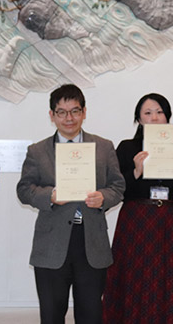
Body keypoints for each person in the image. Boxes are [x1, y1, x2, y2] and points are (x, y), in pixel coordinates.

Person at [17, 84, 125, 324]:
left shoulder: (104, 146)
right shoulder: (37, 151)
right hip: (52, 243)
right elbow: (24, 190)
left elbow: (118, 186)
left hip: (91, 242)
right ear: (51, 115)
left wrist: (103, 198)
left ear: (84, 112)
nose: (69, 118)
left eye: (75, 111)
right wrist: (50, 196)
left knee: (90, 315)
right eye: (62, 112)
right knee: (52, 315)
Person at [101, 93, 173, 324]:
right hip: (137, 221)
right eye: (147, 113)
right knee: (134, 277)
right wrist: (136, 171)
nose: (154, 118)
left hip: (170, 221)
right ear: (139, 119)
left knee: (168, 277)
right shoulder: (127, 148)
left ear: (168, 117)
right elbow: (115, 190)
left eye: (159, 112)